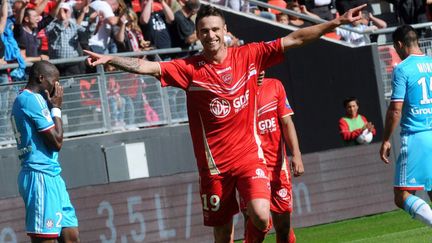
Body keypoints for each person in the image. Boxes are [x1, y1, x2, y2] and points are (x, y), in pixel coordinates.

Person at [84, 4, 365, 242]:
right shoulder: (189, 69)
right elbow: (148, 67)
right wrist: (113, 59)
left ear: (225, 30)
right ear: (198, 34)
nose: (211, 35)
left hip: (249, 159)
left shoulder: (249, 55)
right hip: (213, 168)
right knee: (222, 234)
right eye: (204, 30)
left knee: (261, 214)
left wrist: (336, 22)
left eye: (215, 29)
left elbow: (296, 39)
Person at [10, 61, 80, 242]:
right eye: (54, 81)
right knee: (45, 239)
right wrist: (56, 108)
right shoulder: (29, 100)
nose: (56, 88)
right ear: (41, 78)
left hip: (52, 174)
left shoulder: (36, 100)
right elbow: (56, 142)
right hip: (39, 175)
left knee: (71, 236)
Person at [241, 71, 305, 243]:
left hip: (277, 168)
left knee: (283, 226)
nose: (260, 71)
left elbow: (286, 123)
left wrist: (296, 154)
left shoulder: (275, 86)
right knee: (255, 222)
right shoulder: (237, 92)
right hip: (249, 168)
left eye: (263, 66)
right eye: (256, 66)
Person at [380, 25, 432, 227]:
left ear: (399, 45)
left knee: (401, 195)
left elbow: (395, 110)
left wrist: (385, 139)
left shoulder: (402, 69)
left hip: (417, 136)